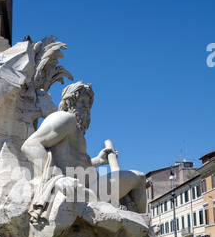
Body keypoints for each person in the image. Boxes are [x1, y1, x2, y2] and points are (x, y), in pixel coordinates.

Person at [21, 81, 146, 224]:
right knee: (140, 178)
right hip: (83, 190)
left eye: (88, 105)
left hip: (91, 187)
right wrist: (57, 179)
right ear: (69, 103)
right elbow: (30, 145)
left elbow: (70, 163)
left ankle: (142, 228)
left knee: (139, 178)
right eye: (82, 102)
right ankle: (144, 228)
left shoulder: (75, 130)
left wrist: (98, 161)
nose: (86, 108)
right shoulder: (64, 118)